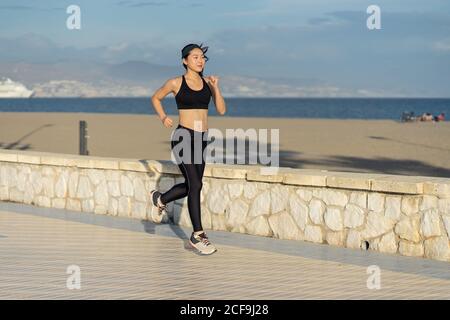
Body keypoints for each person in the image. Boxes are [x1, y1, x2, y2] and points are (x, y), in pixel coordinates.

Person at [150, 43, 226, 255]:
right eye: (195, 57)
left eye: (202, 57)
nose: (200, 60)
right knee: (195, 183)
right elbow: (155, 97)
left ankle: (161, 198)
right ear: (185, 60)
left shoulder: (207, 83)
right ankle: (198, 235)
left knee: (196, 184)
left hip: (202, 139)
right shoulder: (176, 82)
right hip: (183, 136)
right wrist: (164, 117)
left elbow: (221, 109)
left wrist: (216, 87)